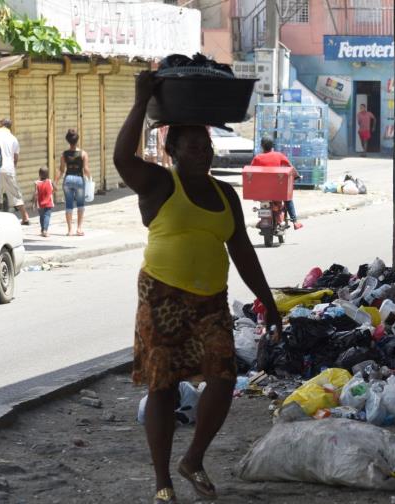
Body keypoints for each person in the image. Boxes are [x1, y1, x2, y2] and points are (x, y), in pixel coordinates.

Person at [114, 70, 282, 504]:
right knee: (163, 387)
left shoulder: (225, 194)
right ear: (171, 151)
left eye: (206, 146)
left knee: (223, 379)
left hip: (211, 301)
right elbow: (122, 159)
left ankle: (193, 459)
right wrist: (140, 101)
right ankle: (162, 482)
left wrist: (268, 301)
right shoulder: (158, 183)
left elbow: (243, 251)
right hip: (162, 297)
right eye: (193, 147)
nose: (203, 153)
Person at [250, 137, 303, 229]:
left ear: (262, 146)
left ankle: (263, 219)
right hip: (276, 190)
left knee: (264, 203)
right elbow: (290, 166)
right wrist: (297, 175)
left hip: (262, 191)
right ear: (272, 146)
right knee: (288, 199)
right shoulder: (279, 155)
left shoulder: (257, 158)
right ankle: (295, 221)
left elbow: (250, 171)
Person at [0, 119, 30, 225]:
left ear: (1, 124)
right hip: (8, 169)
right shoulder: (13, 139)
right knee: (15, 193)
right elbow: (15, 158)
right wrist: (12, 169)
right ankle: (25, 216)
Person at [54, 129, 90, 236]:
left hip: (68, 179)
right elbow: (86, 169)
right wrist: (90, 178)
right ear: (77, 140)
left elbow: (61, 170)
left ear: (68, 141)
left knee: (69, 205)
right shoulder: (83, 154)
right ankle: (79, 229)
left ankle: (70, 230)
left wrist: (55, 182)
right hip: (79, 179)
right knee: (80, 205)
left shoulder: (64, 154)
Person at [33, 167, 55, 237]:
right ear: (48, 174)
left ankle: (42, 230)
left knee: (41, 217)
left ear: (39, 174)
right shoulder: (50, 181)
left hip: (40, 204)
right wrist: (51, 192)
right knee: (47, 216)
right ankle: (45, 230)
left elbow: (35, 194)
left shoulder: (37, 183)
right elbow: (55, 188)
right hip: (48, 203)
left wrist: (34, 203)